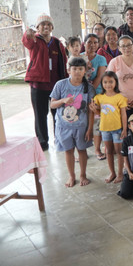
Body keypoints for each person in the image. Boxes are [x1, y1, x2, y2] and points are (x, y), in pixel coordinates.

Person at [50, 57, 95, 187]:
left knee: (82, 150)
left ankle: (83, 175)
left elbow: (91, 111)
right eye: (74, 69)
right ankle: (72, 176)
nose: (77, 72)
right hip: (63, 126)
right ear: (68, 70)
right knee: (68, 151)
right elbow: (52, 105)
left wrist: (90, 129)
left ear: (85, 71)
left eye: (80, 69)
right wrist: (63, 101)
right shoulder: (60, 84)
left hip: (81, 126)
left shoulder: (89, 88)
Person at [92, 71, 128, 183]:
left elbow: (123, 114)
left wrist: (125, 129)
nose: (108, 84)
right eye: (105, 82)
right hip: (104, 129)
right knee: (109, 152)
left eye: (111, 82)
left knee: (119, 151)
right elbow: (99, 112)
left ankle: (121, 173)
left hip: (117, 129)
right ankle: (112, 173)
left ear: (116, 82)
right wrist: (94, 110)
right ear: (102, 84)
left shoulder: (120, 97)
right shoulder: (99, 97)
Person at [106, 35, 133, 118]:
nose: (126, 48)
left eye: (129, 45)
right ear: (119, 48)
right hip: (119, 103)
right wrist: (119, 100)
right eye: (123, 46)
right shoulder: (114, 62)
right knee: (122, 129)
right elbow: (108, 82)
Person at [83, 33, 108, 159]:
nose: (92, 45)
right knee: (83, 122)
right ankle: (83, 150)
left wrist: (91, 94)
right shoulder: (79, 57)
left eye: (95, 42)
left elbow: (99, 77)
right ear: (84, 43)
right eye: (89, 42)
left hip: (97, 93)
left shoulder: (101, 59)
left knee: (97, 121)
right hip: (80, 94)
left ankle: (97, 149)